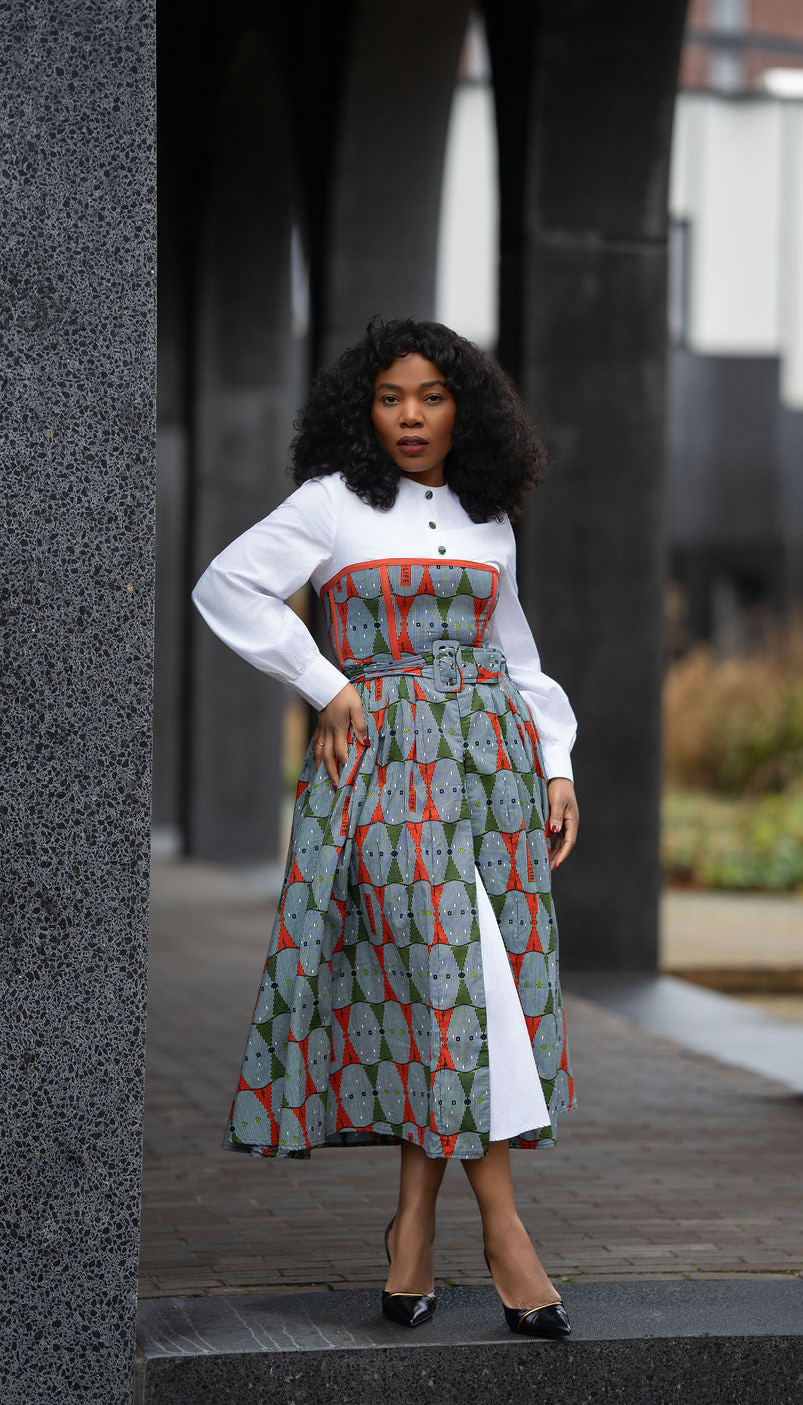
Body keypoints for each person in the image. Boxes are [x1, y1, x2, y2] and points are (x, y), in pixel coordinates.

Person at [192, 316, 580, 1339]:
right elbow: (226, 584)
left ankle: (411, 1226)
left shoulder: (489, 516)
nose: (410, 417)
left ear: (466, 410)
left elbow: (518, 654)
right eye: (389, 398)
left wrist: (556, 761)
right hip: (385, 766)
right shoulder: (330, 506)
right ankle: (506, 1234)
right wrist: (324, 684)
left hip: (491, 764)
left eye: (432, 397)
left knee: (458, 989)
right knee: (451, 976)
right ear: (361, 412)